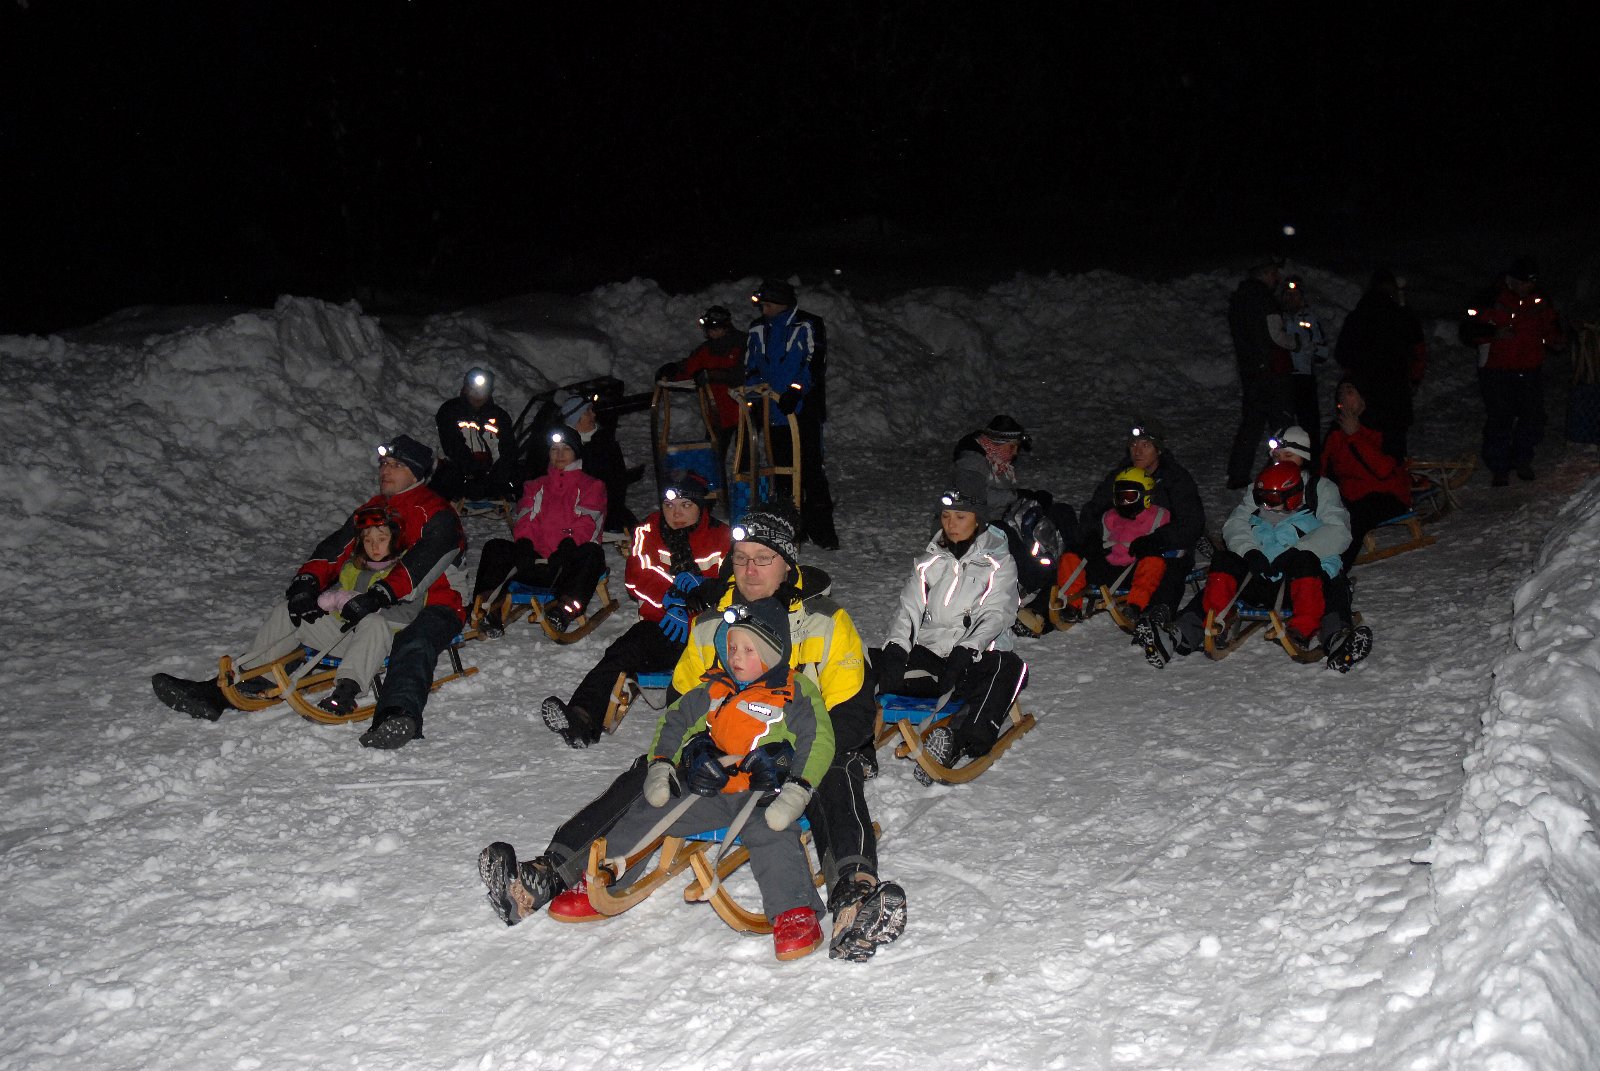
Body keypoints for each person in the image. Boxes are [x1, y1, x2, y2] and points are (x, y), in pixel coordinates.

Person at [478, 505, 907, 962]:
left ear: (788, 562)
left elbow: (852, 715)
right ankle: (551, 871)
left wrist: (789, 755)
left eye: (763, 558)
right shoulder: (710, 625)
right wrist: (697, 748)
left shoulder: (825, 620)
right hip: (727, 756)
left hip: (805, 750)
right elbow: (683, 706)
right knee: (651, 771)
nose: (750, 569)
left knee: (836, 767)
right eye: (741, 558)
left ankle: (854, 897)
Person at [537, 597, 834, 960]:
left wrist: (796, 788)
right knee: (651, 811)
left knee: (771, 832)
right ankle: (605, 877)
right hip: (715, 788)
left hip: (766, 795)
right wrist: (662, 764)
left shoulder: (793, 691)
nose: (736, 657)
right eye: (732, 648)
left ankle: (794, 909)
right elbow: (676, 720)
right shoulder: (715, 688)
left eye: (748, 650)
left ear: (772, 654)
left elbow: (818, 740)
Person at [151, 434, 468, 749]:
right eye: (383, 463)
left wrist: (380, 594)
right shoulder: (374, 508)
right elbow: (335, 549)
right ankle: (228, 689)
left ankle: (396, 715)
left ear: (416, 473)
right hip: (375, 604)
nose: (385, 470)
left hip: (438, 603)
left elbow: (422, 561)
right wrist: (307, 583)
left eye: (396, 465)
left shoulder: (437, 513)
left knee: (414, 643)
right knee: (294, 612)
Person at [540, 471, 731, 748]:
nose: (676, 513)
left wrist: (703, 591)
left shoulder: (722, 536)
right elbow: (636, 576)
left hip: (708, 631)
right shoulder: (649, 530)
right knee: (622, 652)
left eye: (686, 505)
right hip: (663, 625)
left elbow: (732, 583)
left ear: (701, 507)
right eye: (669, 505)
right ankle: (581, 717)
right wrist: (671, 597)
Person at [877, 486, 1026, 783]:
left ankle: (957, 741)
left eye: (960, 517)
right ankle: (858, 745)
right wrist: (896, 648)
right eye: (946, 516)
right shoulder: (929, 562)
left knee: (1009, 668)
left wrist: (967, 649)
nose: (951, 524)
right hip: (932, 656)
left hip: (976, 656)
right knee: (864, 662)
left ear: (978, 520)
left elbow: (997, 612)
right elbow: (909, 609)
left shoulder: (998, 562)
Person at [1172, 458, 1371, 671]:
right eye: (1262, 499)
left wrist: (1299, 555)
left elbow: (1334, 538)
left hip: (1299, 589)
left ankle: (1335, 637)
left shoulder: (1312, 518)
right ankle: (1190, 628)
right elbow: (1235, 526)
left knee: (1325, 583)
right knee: (1223, 564)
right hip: (1260, 584)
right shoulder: (1255, 519)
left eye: (1272, 499)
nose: (1266, 505)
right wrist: (1250, 553)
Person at [1076, 420, 1205, 666]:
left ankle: (1158, 615)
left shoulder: (1175, 479)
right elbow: (1094, 510)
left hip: (1163, 551)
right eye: (1134, 445)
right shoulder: (1121, 476)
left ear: (1158, 450)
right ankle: (1052, 606)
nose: (1137, 451)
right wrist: (1091, 535)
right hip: (1122, 550)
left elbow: (1191, 521)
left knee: (1169, 565)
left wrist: (1159, 538)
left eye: (1145, 445)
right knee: (1078, 554)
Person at [469, 425, 607, 636]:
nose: (559, 454)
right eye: (554, 449)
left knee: (592, 553)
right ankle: (488, 608)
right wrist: (525, 543)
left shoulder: (592, 486)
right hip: (535, 562)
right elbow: (526, 518)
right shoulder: (535, 486)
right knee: (495, 547)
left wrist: (568, 543)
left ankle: (564, 611)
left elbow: (589, 522)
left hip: (567, 566)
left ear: (576, 453)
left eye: (566, 449)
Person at [952, 414, 1068, 632]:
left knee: (1055, 513)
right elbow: (975, 500)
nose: (1015, 453)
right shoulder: (972, 463)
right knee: (1006, 533)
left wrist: (1025, 497)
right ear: (996, 443)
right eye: (1012, 447)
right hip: (980, 527)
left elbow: (999, 494)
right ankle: (1038, 577)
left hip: (1001, 517)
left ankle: (1064, 564)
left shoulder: (996, 461)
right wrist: (1016, 497)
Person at [744, 279, 837, 549]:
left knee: (810, 469)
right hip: (772, 411)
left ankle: (822, 530)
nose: (764, 310)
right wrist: (754, 398)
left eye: (768, 305)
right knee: (781, 471)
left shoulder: (807, 324)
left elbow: (813, 361)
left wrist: (796, 390)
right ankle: (789, 527)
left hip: (802, 409)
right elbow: (751, 365)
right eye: (762, 306)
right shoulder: (758, 328)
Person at [1053, 467, 1175, 665]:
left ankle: (1135, 606)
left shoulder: (1161, 516)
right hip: (1109, 567)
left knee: (1154, 562)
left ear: (1145, 496)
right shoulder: (1109, 516)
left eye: (1129, 496)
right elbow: (1094, 533)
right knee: (1073, 554)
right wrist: (1092, 541)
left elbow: (1172, 539)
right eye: (1120, 497)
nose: (1123, 502)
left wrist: (1152, 543)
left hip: (1134, 570)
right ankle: (1071, 604)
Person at [1462, 256, 1566, 485]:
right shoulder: (1490, 297)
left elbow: (1550, 325)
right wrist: (1493, 334)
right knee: (1500, 418)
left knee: (1532, 417)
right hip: (1496, 370)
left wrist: (1556, 340)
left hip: (1530, 368)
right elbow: (1468, 329)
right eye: (1524, 282)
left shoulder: (1540, 299)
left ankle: (1522, 459)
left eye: (1532, 282)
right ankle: (1499, 467)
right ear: (1512, 280)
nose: (1528, 287)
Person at [1334, 268, 1426, 462]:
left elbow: (1341, 354)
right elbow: (1418, 351)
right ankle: (1393, 476)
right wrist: (1414, 379)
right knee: (1394, 447)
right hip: (1395, 392)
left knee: (1365, 443)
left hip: (1365, 393)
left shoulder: (1357, 317)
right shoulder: (1402, 316)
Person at [1318, 382, 1413, 571]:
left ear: (1363, 398)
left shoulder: (1384, 425)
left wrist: (1355, 436)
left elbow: (1383, 470)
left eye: (1350, 392)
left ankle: (1335, 574)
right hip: (1351, 496)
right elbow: (1323, 470)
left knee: (1354, 519)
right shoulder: (1335, 433)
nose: (1344, 397)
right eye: (1340, 393)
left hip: (1386, 494)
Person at [1225, 256, 1299, 489]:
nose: (1277, 278)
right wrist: (1296, 342)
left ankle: (1238, 474)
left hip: (1251, 370)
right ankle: (1277, 472)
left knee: (1252, 423)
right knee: (1282, 423)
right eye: (1274, 274)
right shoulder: (1264, 299)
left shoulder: (1240, 298)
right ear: (1266, 274)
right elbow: (1276, 335)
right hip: (1271, 371)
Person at [657, 305, 746, 467]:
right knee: (714, 456)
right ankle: (715, 480)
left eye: (716, 329)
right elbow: (691, 367)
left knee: (746, 456)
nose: (712, 333)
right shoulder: (707, 349)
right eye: (709, 330)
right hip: (719, 411)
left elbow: (742, 373)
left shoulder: (743, 344)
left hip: (744, 409)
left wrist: (712, 375)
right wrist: (673, 370)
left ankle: (748, 481)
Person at [431, 367, 518, 503]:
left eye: (483, 391)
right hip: (458, 470)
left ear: (490, 392)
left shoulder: (500, 416)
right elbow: (452, 445)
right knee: (447, 479)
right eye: (473, 390)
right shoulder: (450, 411)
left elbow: (508, 448)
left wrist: (497, 473)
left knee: (519, 475)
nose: (478, 395)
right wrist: (473, 472)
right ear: (465, 389)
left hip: (492, 472)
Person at [555, 393, 638, 534]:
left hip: (604, 509)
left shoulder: (605, 443)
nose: (593, 414)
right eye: (588, 411)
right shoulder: (561, 446)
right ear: (576, 418)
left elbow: (616, 484)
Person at [1281, 275, 1330, 446]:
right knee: (1283, 423)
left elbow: (1323, 351)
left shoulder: (1310, 318)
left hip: (1304, 377)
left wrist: (1311, 348)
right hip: (1283, 377)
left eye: (1295, 295)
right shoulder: (1278, 318)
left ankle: (1312, 458)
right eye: (1288, 295)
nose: (1291, 299)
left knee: (1309, 424)